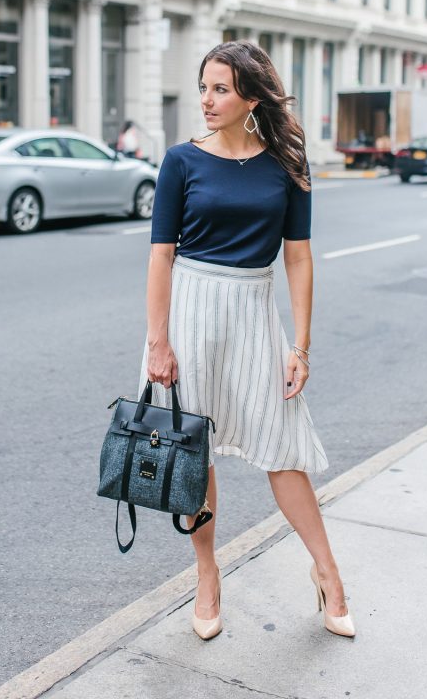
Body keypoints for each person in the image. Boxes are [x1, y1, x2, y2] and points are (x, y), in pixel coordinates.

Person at [138, 40, 355, 641]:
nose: (206, 100)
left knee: (283, 449)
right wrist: (158, 341)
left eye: (220, 89)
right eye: (203, 86)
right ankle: (206, 576)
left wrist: (302, 345)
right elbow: (160, 257)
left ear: (252, 97)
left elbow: (300, 257)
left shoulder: (286, 165)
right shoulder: (181, 162)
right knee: (193, 451)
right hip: (191, 313)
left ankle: (328, 574)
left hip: (255, 316)